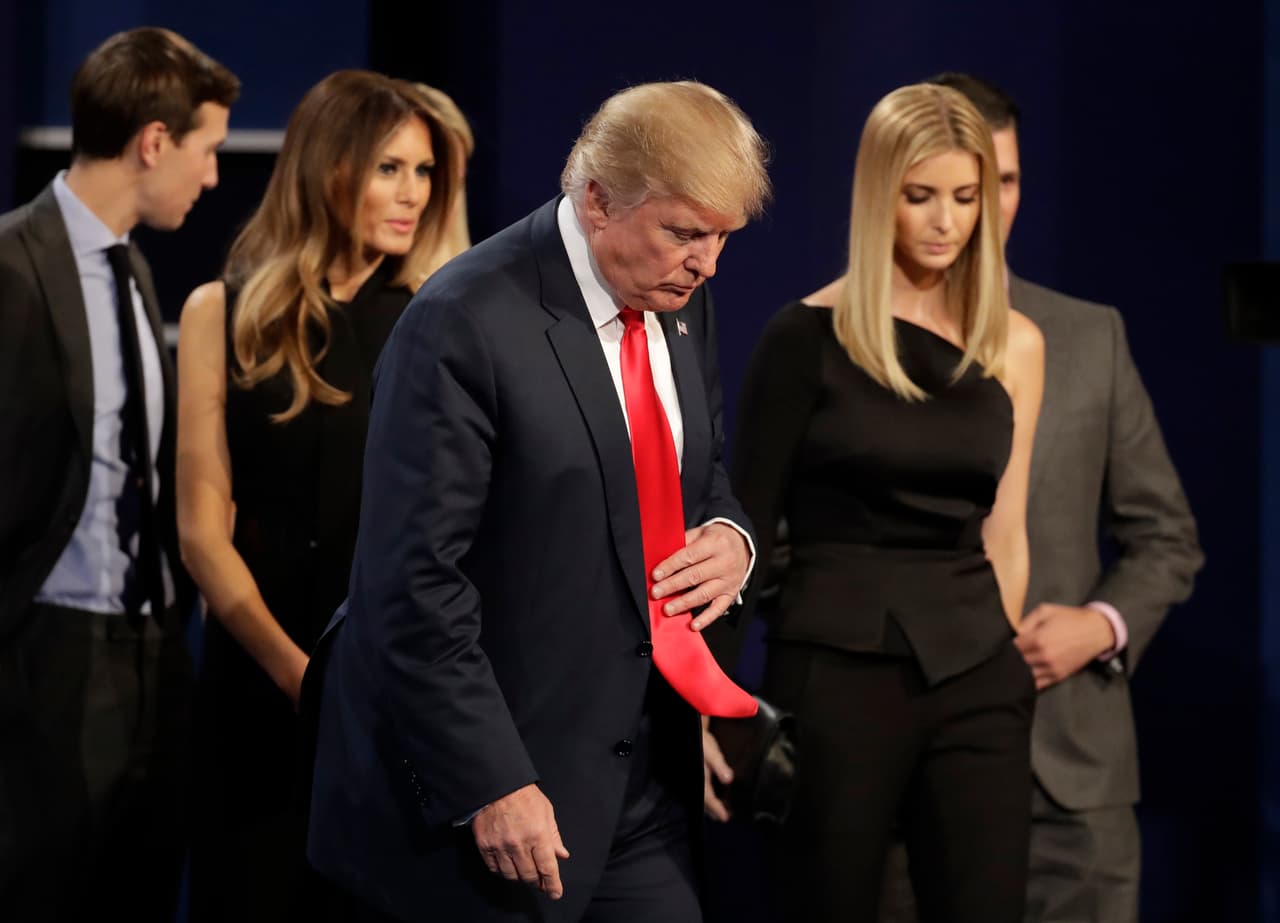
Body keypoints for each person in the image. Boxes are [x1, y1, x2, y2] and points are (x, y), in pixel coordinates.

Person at [305, 80, 770, 922]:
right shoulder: (463, 321)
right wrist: (490, 780)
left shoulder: (680, 299)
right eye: (684, 233)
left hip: (640, 789)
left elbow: (700, 479)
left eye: (722, 237)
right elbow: (412, 584)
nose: (707, 262)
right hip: (492, 796)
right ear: (596, 199)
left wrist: (733, 538)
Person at [874, 72, 1204, 923]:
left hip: (1069, 773)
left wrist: (1102, 624)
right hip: (908, 761)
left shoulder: (1089, 336)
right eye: (952, 185)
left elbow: (1166, 535)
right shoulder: (848, 341)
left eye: (1004, 182)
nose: (981, 207)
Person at [712, 83, 1045, 921]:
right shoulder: (805, 338)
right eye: (920, 196)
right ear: (876, 196)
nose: (947, 221)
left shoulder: (1014, 341)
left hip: (976, 674)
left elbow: (1008, 533)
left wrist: (997, 665)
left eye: (967, 197)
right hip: (836, 674)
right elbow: (741, 532)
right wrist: (710, 705)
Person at [175, 70, 465, 922]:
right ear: (327, 167)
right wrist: (302, 679)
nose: (411, 194)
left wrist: (355, 690)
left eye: (423, 173)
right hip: (259, 685)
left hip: (389, 688)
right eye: (388, 169)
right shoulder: (220, 311)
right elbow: (201, 528)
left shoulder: (438, 318)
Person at [0, 27, 238, 920]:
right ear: (153, 142)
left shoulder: (133, 267)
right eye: (207, 148)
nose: (213, 175)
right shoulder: (11, 268)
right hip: (43, 656)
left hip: (150, 651)